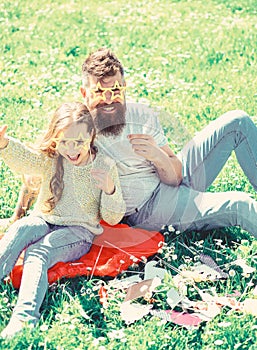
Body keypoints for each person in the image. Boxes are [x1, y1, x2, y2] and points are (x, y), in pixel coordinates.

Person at [4, 48, 257, 238]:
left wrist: (157, 156)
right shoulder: (77, 129)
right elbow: (41, 168)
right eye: (99, 93)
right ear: (84, 93)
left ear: (124, 86)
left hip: (168, 178)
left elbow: (176, 175)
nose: (109, 100)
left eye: (115, 91)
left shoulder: (141, 115)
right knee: (240, 204)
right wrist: (17, 216)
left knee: (238, 120)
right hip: (149, 206)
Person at [0, 101, 125, 338]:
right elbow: (25, 159)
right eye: (64, 142)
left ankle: (25, 319)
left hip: (78, 232)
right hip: (45, 219)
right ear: (56, 139)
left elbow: (112, 216)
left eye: (78, 142)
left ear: (91, 134)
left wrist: (110, 190)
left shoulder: (105, 165)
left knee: (39, 252)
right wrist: (4, 144)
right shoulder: (52, 158)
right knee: (22, 227)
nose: (71, 149)